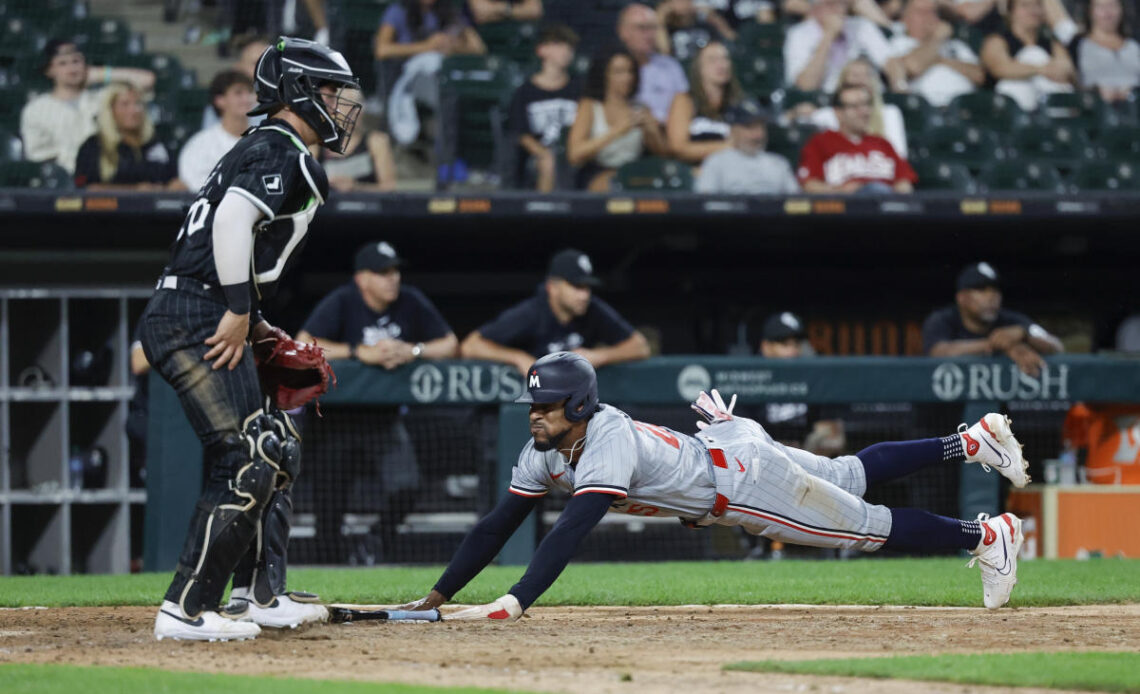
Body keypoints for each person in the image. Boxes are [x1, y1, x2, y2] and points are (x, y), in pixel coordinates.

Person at [393, 352, 1031, 621]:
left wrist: (514, 601)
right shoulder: (546, 448)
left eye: (550, 406)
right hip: (726, 441)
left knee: (864, 526)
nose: (537, 415)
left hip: (744, 483)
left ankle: (987, 534)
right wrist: (439, 593)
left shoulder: (605, 437)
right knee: (851, 473)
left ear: (581, 406)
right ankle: (970, 442)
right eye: (533, 405)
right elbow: (495, 525)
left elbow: (571, 530)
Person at [144, 37, 362, 642]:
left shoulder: (266, 145)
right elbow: (233, 218)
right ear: (298, 92)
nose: (340, 107)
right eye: (328, 92)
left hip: (201, 304)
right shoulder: (283, 147)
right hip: (198, 312)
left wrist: (255, 320)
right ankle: (185, 609)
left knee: (276, 446)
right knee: (249, 456)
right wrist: (240, 308)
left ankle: (258, 596)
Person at [296, 241, 456, 564]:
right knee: (329, 507)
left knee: (407, 487)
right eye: (383, 272)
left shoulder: (410, 301)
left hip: (384, 420)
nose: (392, 278)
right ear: (362, 278)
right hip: (336, 421)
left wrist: (412, 351)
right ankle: (331, 572)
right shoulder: (343, 300)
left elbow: (450, 343)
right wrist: (358, 353)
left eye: (395, 271)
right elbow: (302, 344)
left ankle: (374, 542)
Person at [460, 249, 651, 375]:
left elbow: (640, 346)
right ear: (552, 287)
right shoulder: (532, 313)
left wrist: (598, 356)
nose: (584, 295)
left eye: (587, 287)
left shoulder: (593, 309)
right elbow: (470, 346)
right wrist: (518, 357)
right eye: (576, 286)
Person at [20, 39, 155, 175]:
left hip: (106, 176)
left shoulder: (102, 98)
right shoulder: (37, 109)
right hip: (62, 181)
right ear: (49, 70)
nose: (72, 68)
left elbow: (147, 80)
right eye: (63, 63)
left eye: (76, 61)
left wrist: (100, 74)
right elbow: (37, 156)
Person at [923, 261, 1063, 377]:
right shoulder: (942, 319)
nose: (991, 297)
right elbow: (938, 352)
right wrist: (1001, 345)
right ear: (962, 298)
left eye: (995, 290)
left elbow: (1056, 345)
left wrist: (1024, 334)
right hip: (948, 407)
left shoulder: (1012, 320)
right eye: (981, 289)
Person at [566, 47, 669, 191]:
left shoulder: (641, 108)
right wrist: (616, 131)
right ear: (604, 75)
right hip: (598, 171)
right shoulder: (590, 105)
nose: (627, 77)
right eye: (618, 72)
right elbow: (575, 154)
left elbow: (663, 155)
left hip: (635, 171)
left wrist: (652, 132)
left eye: (630, 71)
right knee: (614, 186)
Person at [797, 83, 916, 194]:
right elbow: (809, 184)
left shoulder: (882, 143)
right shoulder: (820, 142)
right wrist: (840, 191)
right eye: (855, 106)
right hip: (846, 208)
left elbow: (904, 182)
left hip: (885, 205)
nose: (864, 112)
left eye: (866, 105)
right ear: (838, 113)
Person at [506, 24, 581, 192]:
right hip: (540, 153)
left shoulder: (579, 88)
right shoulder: (525, 91)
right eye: (559, 44)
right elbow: (521, 133)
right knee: (548, 162)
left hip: (574, 149)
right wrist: (542, 152)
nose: (566, 50)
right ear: (541, 50)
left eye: (570, 46)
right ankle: (546, 212)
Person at [73, 82, 180, 190]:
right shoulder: (93, 147)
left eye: (138, 104)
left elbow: (175, 180)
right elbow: (84, 186)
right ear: (111, 110)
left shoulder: (156, 143)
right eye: (125, 104)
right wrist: (135, 190)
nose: (134, 110)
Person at [784, 0, 906, 93]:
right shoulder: (799, 34)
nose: (838, 9)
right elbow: (805, 87)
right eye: (831, 4)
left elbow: (891, 63)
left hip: (868, 99)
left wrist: (899, 86)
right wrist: (828, 36)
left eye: (842, 4)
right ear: (817, 6)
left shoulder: (862, 26)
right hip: (827, 103)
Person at [980, 0, 1075, 112]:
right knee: (1032, 54)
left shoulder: (1052, 44)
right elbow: (1000, 68)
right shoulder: (997, 40)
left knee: (1036, 53)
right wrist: (1041, 70)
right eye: (1025, 5)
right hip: (1006, 106)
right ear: (1011, 12)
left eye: (1037, 5)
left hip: (1044, 100)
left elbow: (1067, 71)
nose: (1033, 10)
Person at [804, 57, 909, 157]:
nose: (861, 80)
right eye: (855, 75)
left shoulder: (890, 113)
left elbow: (899, 155)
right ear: (843, 82)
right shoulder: (825, 115)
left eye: (866, 75)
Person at [888, 0, 985, 107]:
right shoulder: (898, 43)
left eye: (933, 12)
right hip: (925, 110)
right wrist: (937, 37)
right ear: (904, 17)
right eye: (922, 12)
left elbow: (980, 75)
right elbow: (912, 66)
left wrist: (939, 60)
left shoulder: (954, 45)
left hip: (965, 108)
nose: (929, 18)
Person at [694, 99, 800, 193]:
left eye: (760, 127)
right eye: (749, 127)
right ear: (733, 130)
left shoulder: (779, 164)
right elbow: (704, 205)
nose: (758, 135)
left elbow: (797, 205)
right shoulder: (716, 163)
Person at [665, 41, 740, 165]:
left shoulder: (739, 103)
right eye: (712, 60)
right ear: (699, 68)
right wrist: (727, 147)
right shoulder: (685, 101)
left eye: (725, 59)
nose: (721, 65)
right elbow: (678, 148)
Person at [179, 70, 256, 191]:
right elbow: (193, 183)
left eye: (250, 92)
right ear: (220, 100)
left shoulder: (264, 138)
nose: (247, 98)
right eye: (238, 93)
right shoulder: (201, 144)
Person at [617, 3, 690, 123]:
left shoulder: (670, 66)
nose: (649, 34)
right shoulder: (612, 68)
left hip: (669, 132)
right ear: (623, 31)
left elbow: (684, 106)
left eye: (653, 28)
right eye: (642, 28)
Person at [1069, 0, 1140, 103]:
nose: (1107, 12)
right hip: (1095, 107)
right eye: (1100, 7)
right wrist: (1095, 91)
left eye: (1112, 6)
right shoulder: (1077, 44)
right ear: (1090, 11)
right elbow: (1069, 78)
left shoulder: (1134, 45)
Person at [319, 127, 398, 192]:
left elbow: (389, 187)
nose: (349, 113)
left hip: (367, 206)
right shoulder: (316, 145)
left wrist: (355, 187)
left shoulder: (375, 141)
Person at [655, 0, 737, 62]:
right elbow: (665, 55)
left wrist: (714, 18)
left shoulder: (704, 23)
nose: (684, 3)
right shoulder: (666, 30)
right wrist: (660, 20)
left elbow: (731, 40)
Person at [466, 0, 544, 24]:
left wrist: (505, 9)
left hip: (517, 35)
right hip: (484, 38)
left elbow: (535, 10)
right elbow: (480, 13)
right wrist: (518, 11)